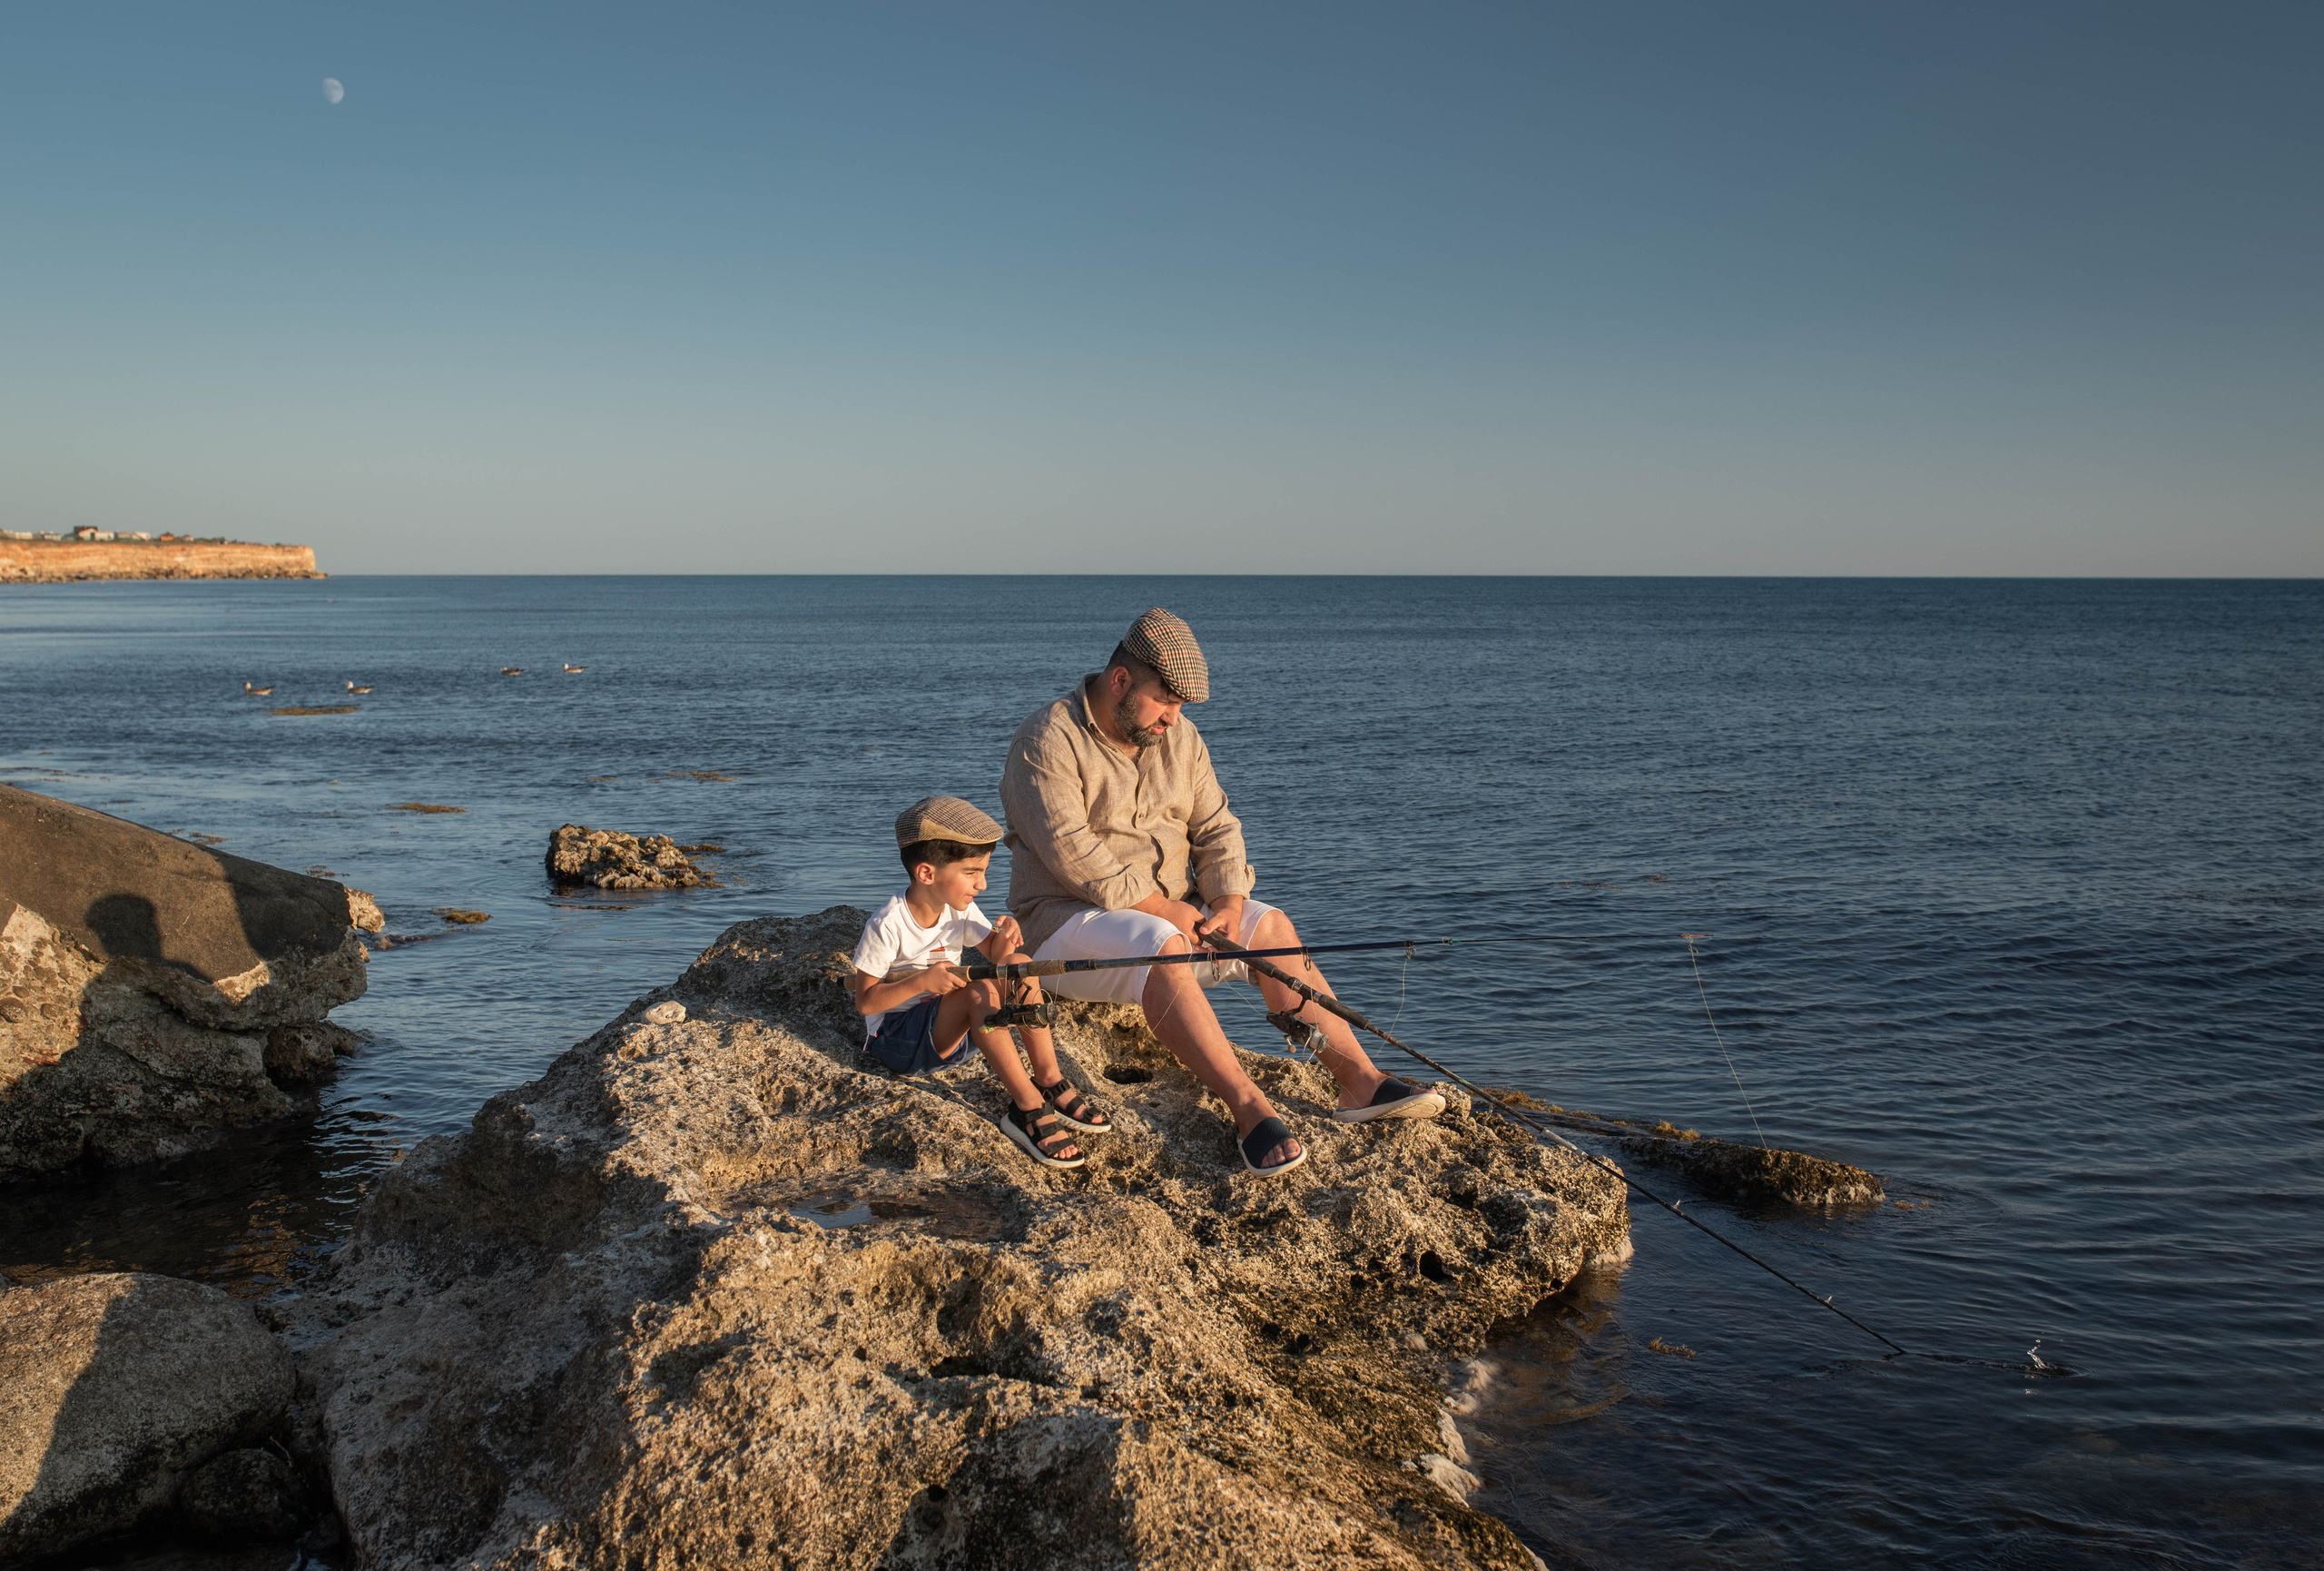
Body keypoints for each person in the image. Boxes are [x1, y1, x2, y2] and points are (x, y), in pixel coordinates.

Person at [999, 608, 1443, 1178]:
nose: (1173, 718)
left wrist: (1229, 905)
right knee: (1161, 941)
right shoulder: (1046, 739)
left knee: (1271, 925)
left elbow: (1216, 828)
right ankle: (1250, 1109)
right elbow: (1074, 855)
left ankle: (1360, 1083)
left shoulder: (1180, 738)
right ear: (1120, 681)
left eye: (1182, 707)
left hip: (1177, 920)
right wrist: (1167, 909)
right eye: (1166, 700)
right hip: (1064, 926)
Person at [851, 795, 1112, 1171]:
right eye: (972, 872)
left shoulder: (958, 907)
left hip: (956, 1032)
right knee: (977, 990)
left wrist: (1008, 934)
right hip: (898, 1043)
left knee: (1020, 964)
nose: (983, 884)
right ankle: (1027, 1109)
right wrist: (923, 980)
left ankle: (1049, 1079)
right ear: (927, 874)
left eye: (984, 871)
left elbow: (996, 953)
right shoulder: (887, 924)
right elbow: (866, 1003)